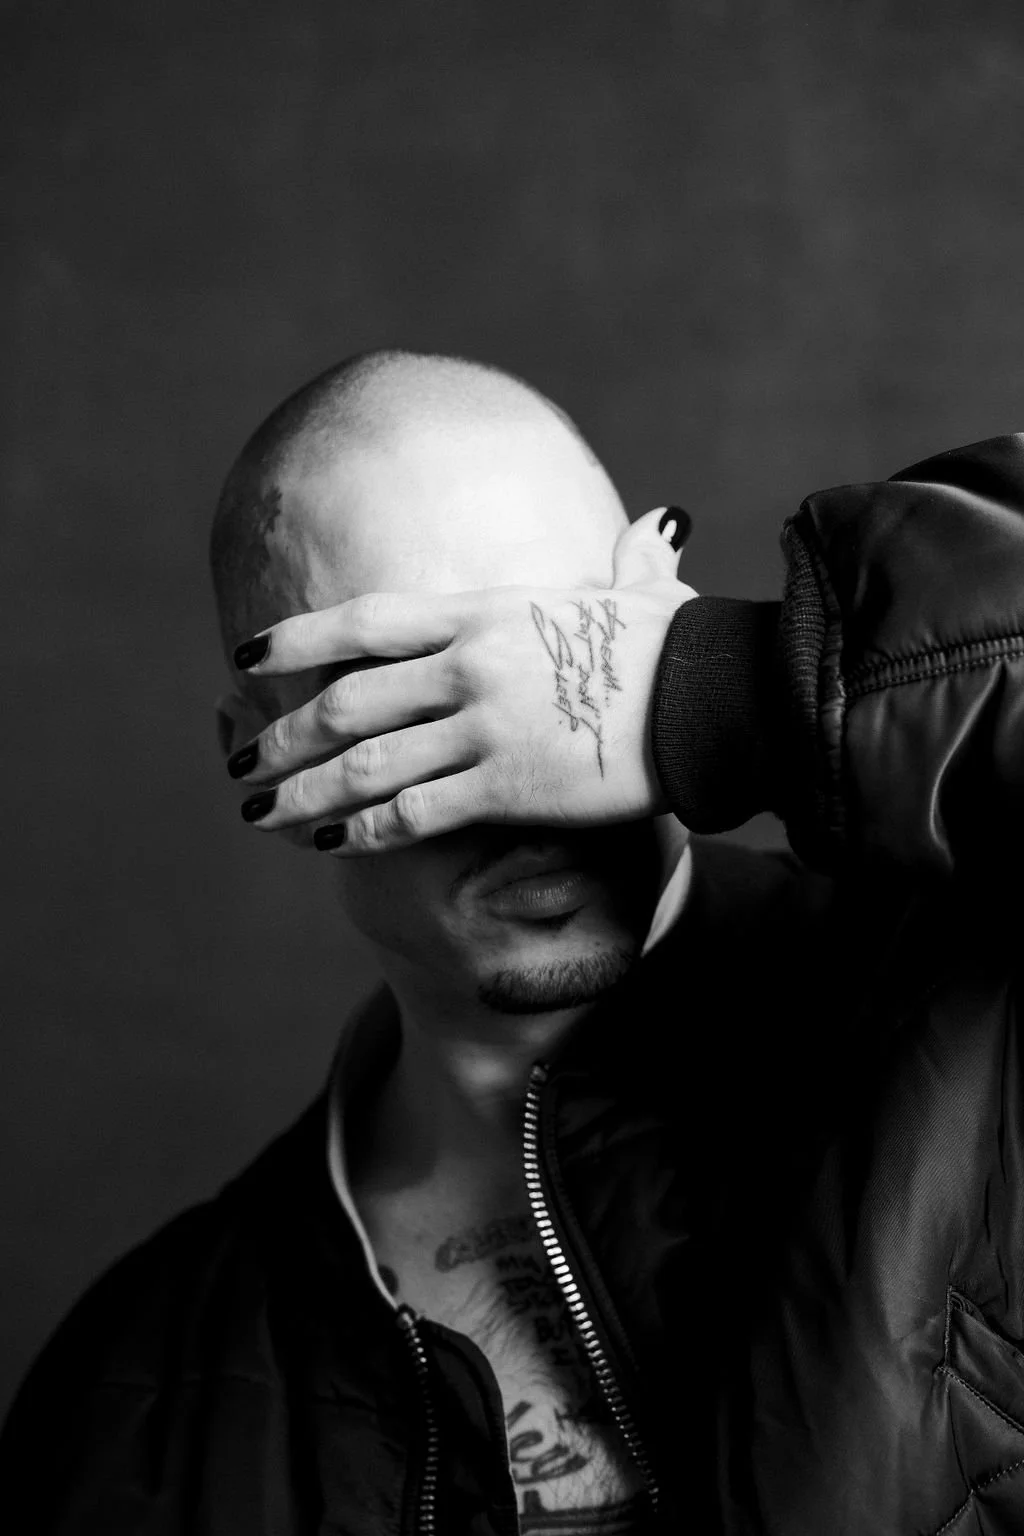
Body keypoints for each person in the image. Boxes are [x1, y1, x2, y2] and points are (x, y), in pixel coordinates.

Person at [2, 349, 1023, 1536]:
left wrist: (717, 689)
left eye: (554, 651)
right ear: (264, 747)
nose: (525, 773)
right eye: (411, 702)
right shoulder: (137, 1400)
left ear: (654, 596)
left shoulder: (967, 1000)